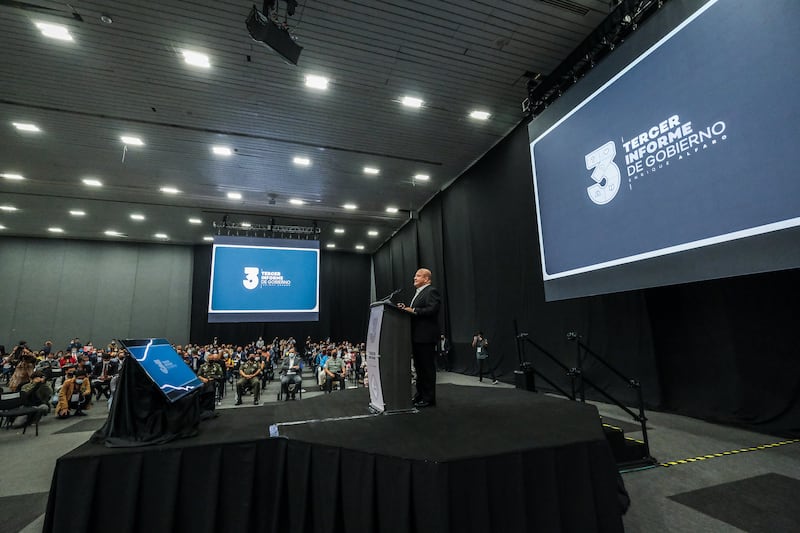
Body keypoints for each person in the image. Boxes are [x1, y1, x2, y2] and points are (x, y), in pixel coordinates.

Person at [398, 268, 442, 408]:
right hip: (417, 337)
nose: (414, 278)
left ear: (427, 279)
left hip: (426, 337)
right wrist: (405, 309)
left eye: (418, 276)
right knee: (419, 368)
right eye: (415, 275)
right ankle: (420, 395)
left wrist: (414, 310)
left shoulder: (431, 291)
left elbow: (433, 309)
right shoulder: (418, 293)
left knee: (427, 368)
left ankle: (429, 399)